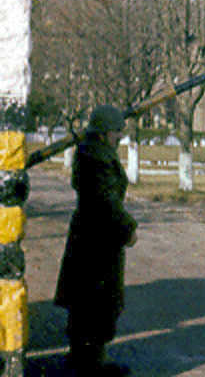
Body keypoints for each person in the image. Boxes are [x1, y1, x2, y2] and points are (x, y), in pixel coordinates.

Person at [54, 105, 137, 375]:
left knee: (86, 303)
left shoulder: (90, 153)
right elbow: (107, 200)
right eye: (116, 132)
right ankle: (91, 364)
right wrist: (128, 229)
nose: (120, 137)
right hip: (98, 241)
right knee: (97, 303)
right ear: (103, 133)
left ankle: (85, 359)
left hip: (89, 236)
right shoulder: (97, 158)